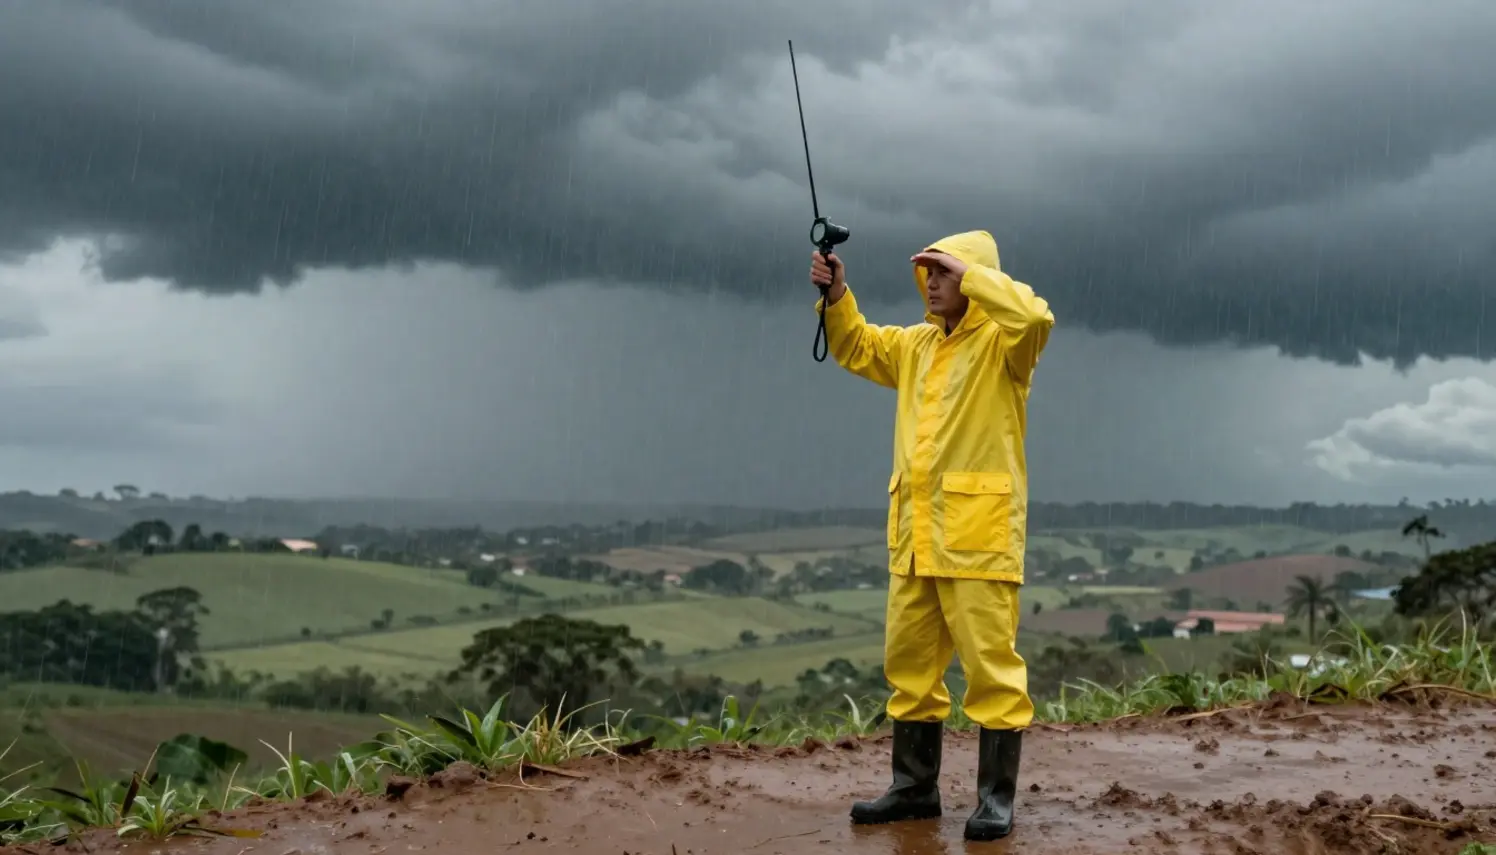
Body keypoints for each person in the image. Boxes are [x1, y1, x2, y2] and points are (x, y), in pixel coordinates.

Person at [808, 229, 1053, 842]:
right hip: (915, 537)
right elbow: (856, 346)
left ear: (973, 277)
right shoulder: (915, 345)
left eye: (944, 272)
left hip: (978, 539)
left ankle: (995, 800)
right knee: (910, 667)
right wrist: (837, 295)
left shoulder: (1007, 344)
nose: (933, 281)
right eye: (929, 272)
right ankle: (915, 789)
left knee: (991, 670)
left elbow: (1034, 315)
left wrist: (974, 276)